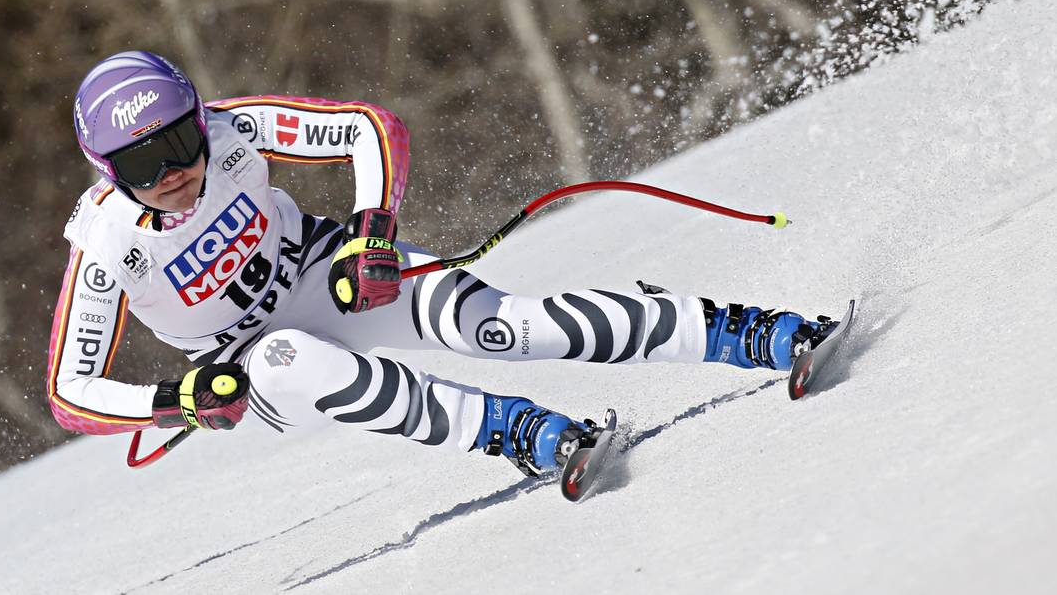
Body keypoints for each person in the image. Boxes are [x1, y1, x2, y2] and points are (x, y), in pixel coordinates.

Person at [46, 51, 836, 477]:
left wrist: (371, 234)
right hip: (249, 358)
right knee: (291, 359)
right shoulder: (108, 245)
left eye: (179, 143)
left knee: (501, 326)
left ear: (196, 115)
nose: (172, 172)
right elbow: (68, 393)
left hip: (323, 271)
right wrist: (176, 399)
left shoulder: (231, 127)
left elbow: (368, 128)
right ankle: (517, 433)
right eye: (141, 166)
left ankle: (752, 333)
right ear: (106, 171)